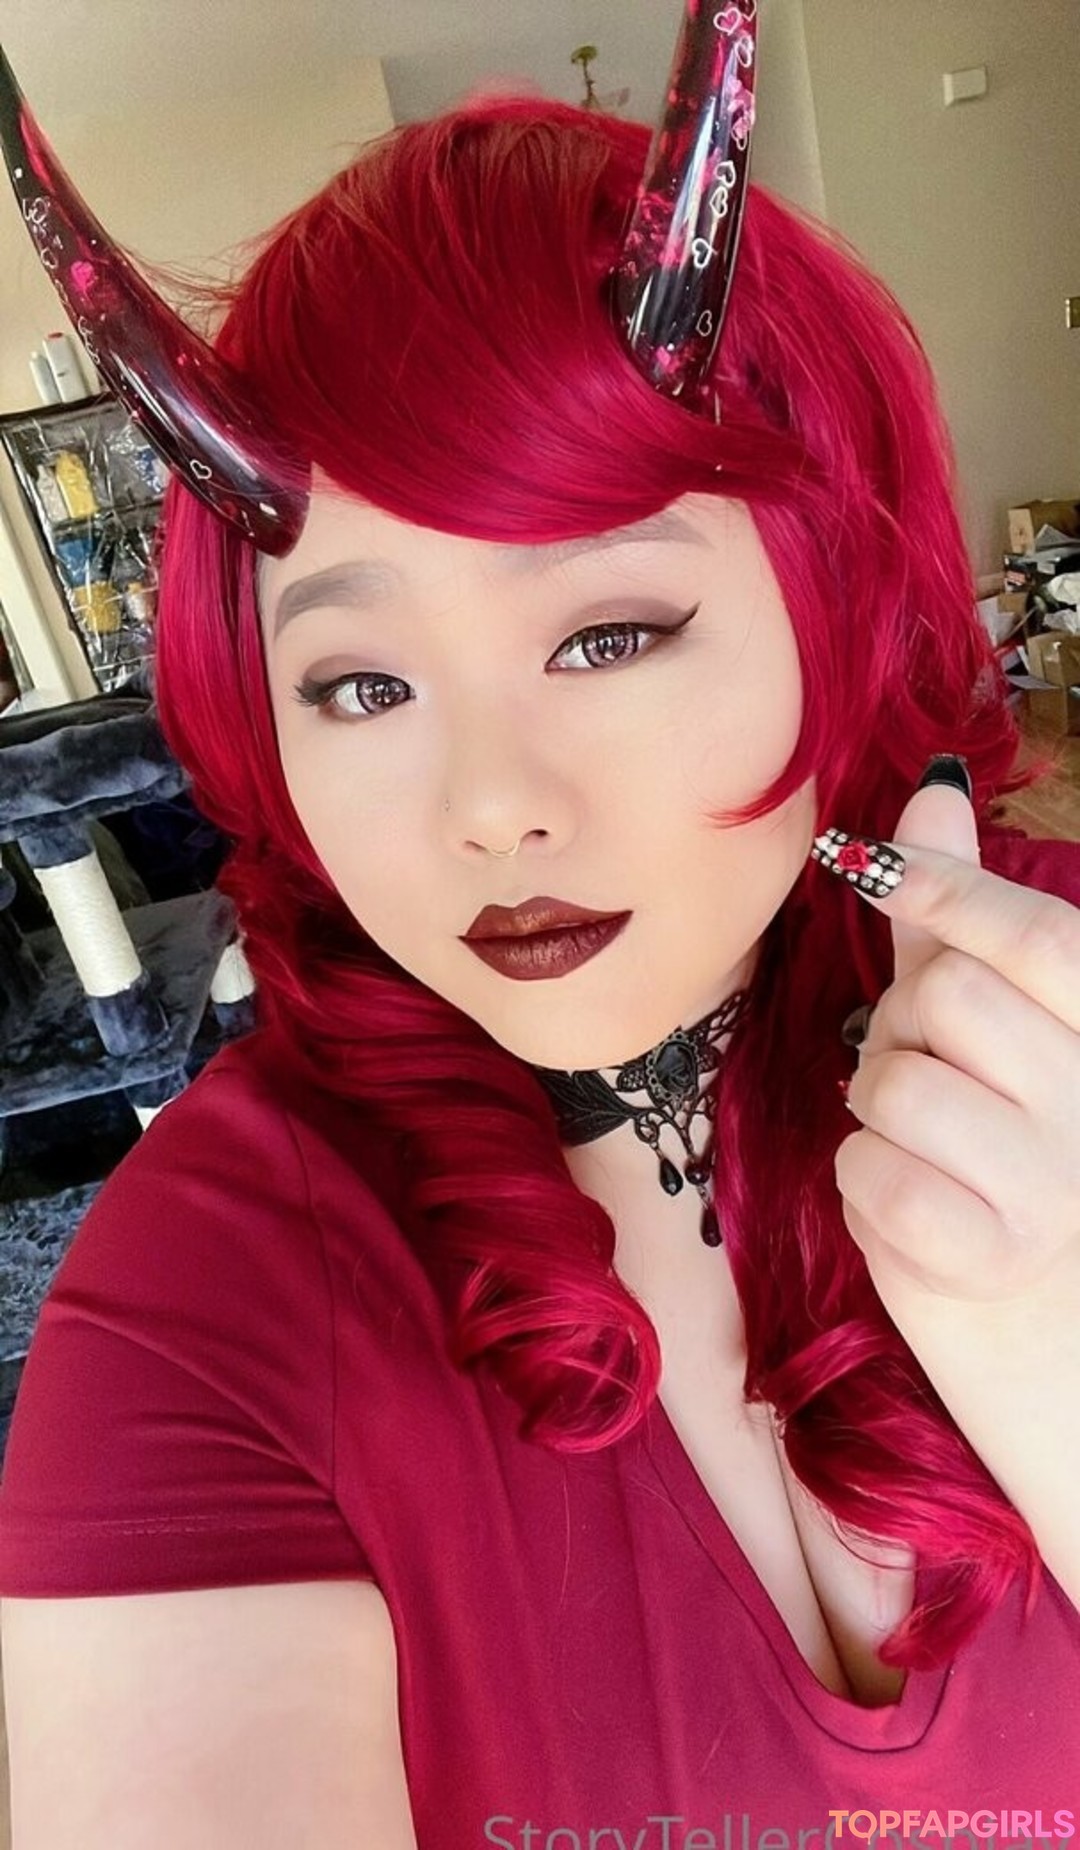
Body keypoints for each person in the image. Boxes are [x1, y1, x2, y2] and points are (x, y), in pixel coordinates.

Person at [1, 8, 1080, 1845]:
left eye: (609, 632)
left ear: (832, 596)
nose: (488, 805)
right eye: (359, 683)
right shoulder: (203, 1298)